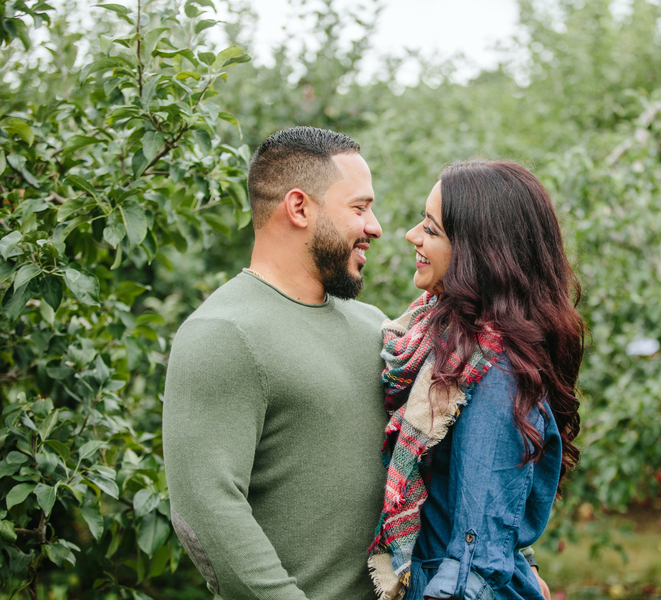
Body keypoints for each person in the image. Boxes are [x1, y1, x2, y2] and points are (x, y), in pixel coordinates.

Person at [162, 126, 388, 600]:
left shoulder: (375, 328)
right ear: (299, 207)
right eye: (359, 207)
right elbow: (206, 510)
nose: (375, 227)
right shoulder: (222, 333)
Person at [368, 161, 585, 600]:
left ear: (477, 252)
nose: (413, 235)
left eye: (431, 229)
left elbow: (476, 555)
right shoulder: (443, 343)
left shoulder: (494, 374)